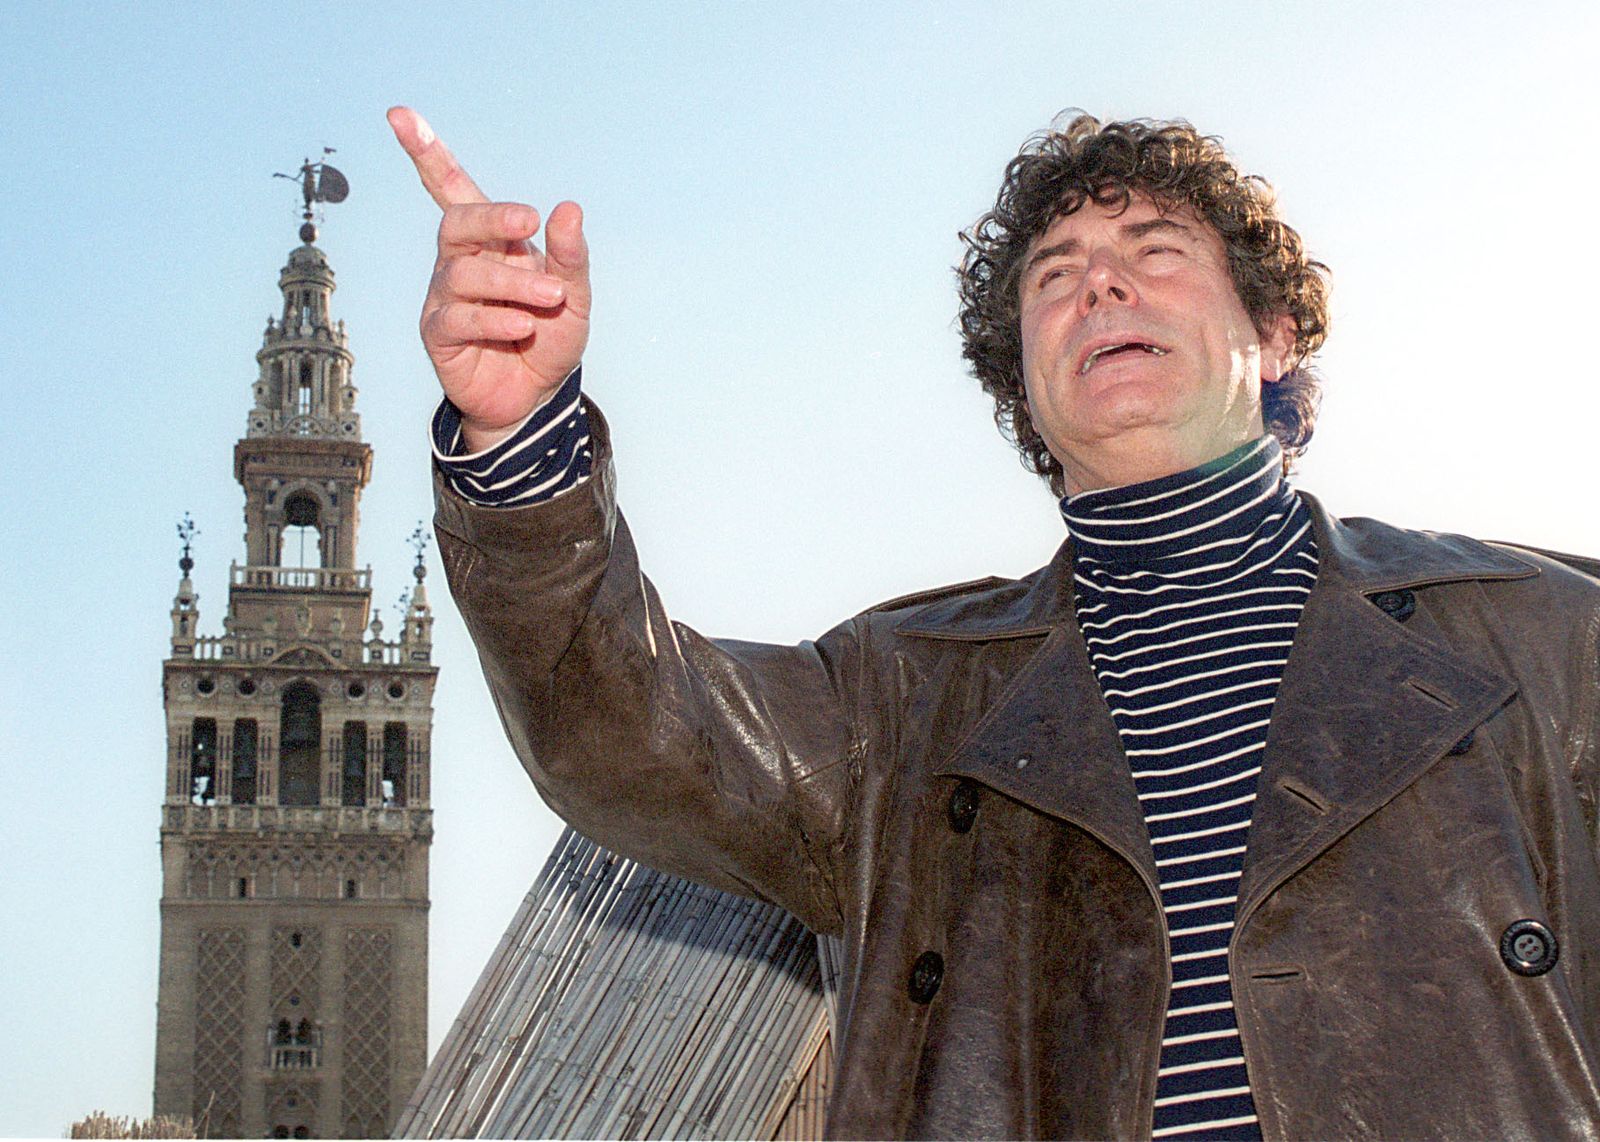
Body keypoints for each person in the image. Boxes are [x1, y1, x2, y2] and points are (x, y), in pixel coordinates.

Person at [389, 105, 1600, 1140]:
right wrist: (520, 446)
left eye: (1154, 248)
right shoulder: (899, 695)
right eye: (1053, 274)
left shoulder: (1539, 637)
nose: (1100, 283)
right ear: (1022, 376)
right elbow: (627, 729)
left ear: (1273, 332)